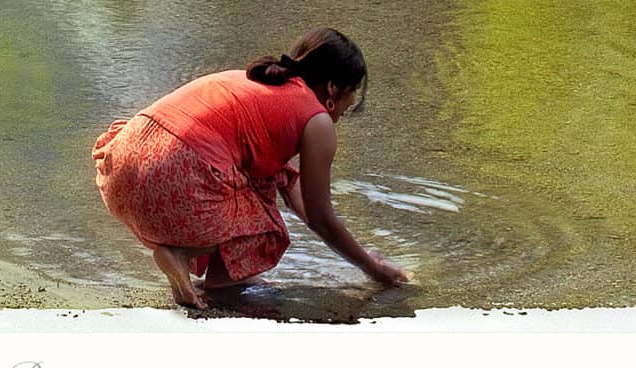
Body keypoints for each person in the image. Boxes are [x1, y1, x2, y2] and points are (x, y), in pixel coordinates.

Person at [92, 27, 412, 308]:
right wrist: (374, 270)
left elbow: (293, 191)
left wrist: (364, 256)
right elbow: (321, 218)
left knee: (260, 188)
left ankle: (219, 282)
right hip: (174, 169)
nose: (346, 110)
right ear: (333, 88)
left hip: (124, 163)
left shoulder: (258, 83)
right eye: (351, 97)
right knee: (270, 228)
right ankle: (182, 254)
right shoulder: (316, 121)